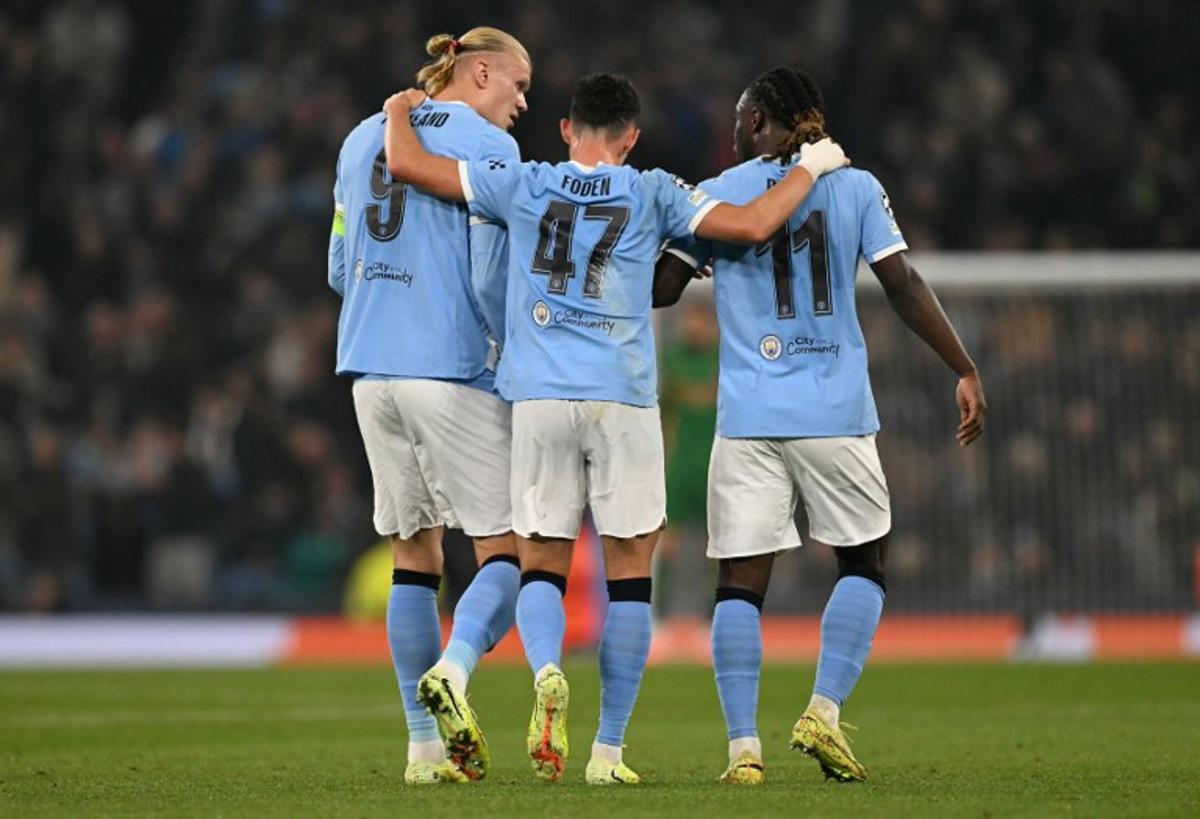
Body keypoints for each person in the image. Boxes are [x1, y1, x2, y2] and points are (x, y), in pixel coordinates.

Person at [381, 73, 848, 785]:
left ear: (567, 130)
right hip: (623, 401)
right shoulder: (655, 189)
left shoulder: (525, 181)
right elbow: (754, 224)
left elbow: (410, 165)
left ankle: (545, 670)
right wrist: (812, 166)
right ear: (630, 138)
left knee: (541, 561)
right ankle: (607, 752)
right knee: (630, 577)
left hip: (538, 397)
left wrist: (396, 110)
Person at [655, 66, 988, 784]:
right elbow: (902, 283)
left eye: (745, 118)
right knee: (864, 562)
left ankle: (743, 749)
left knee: (740, 583)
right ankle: (823, 710)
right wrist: (963, 366)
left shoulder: (720, 193)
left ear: (763, 123)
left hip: (746, 418)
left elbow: (663, 287)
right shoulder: (856, 187)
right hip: (832, 410)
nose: (737, 129)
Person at [327, 26, 532, 785]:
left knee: (414, 558)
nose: (521, 103)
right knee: (510, 553)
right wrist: (506, 347)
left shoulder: (358, 139)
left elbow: (340, 264)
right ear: (480, 72)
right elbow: (486, 273)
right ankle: (452, 667)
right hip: (448, 366)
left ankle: (422, 750)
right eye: (518, 85)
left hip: (369, 368)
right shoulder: (489, 147)